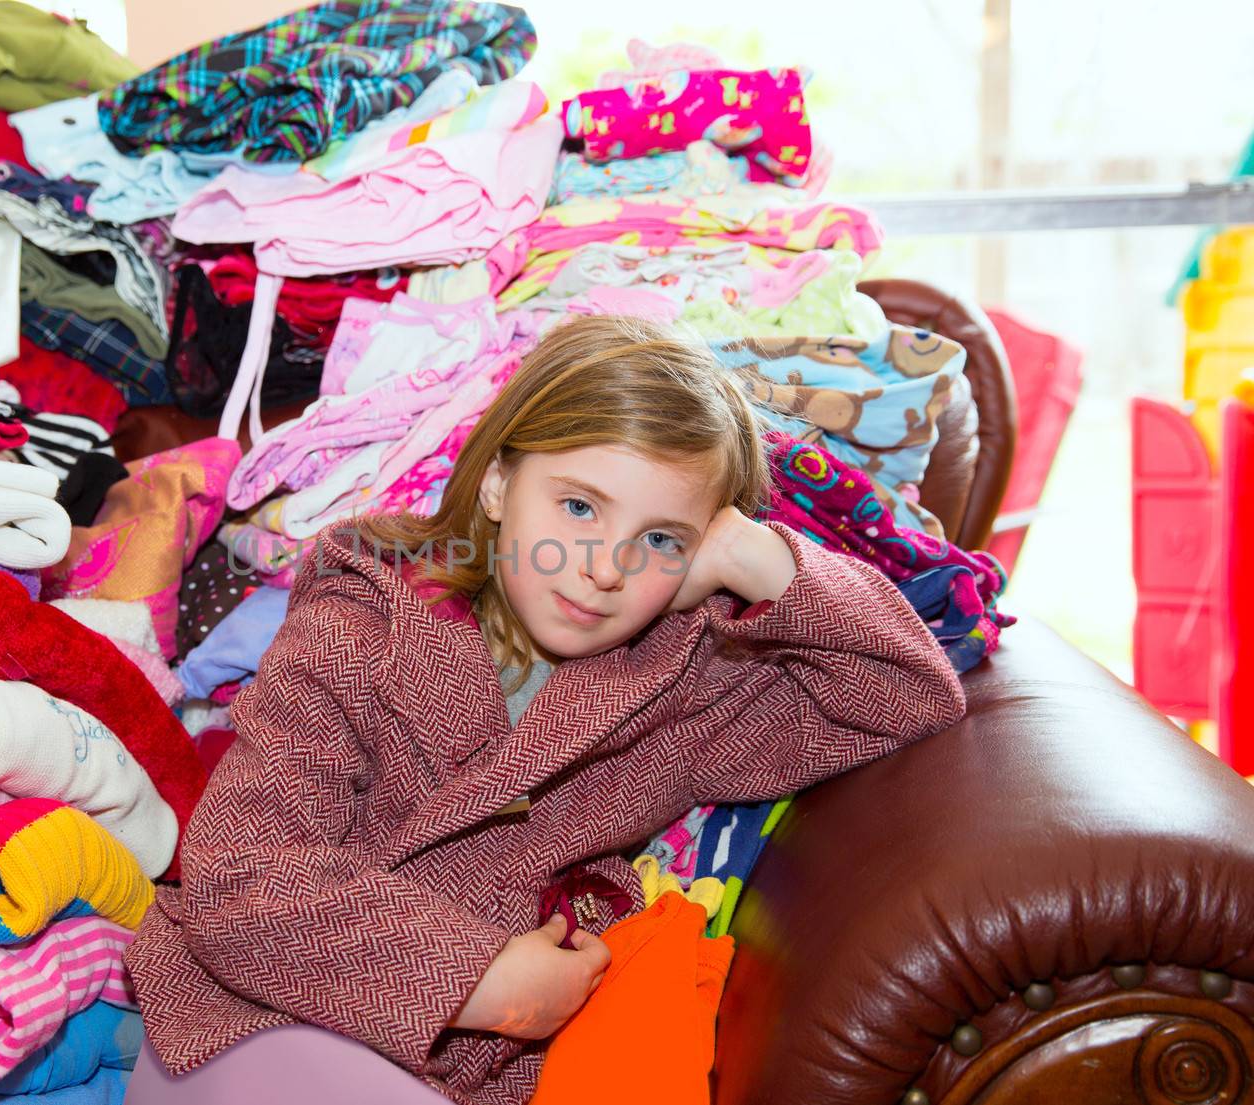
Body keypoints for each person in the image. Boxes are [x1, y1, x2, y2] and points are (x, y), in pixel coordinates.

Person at [123, 315, 967, 1105]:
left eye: (663, 539)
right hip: (248, 1019)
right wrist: (477, 975)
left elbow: (907, 695)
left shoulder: (684, 691)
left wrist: (767, 559)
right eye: (578, 507)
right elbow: (241, 874)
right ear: (497, 484)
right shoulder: (361, 624)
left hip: (464, 1073)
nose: (605, 567)